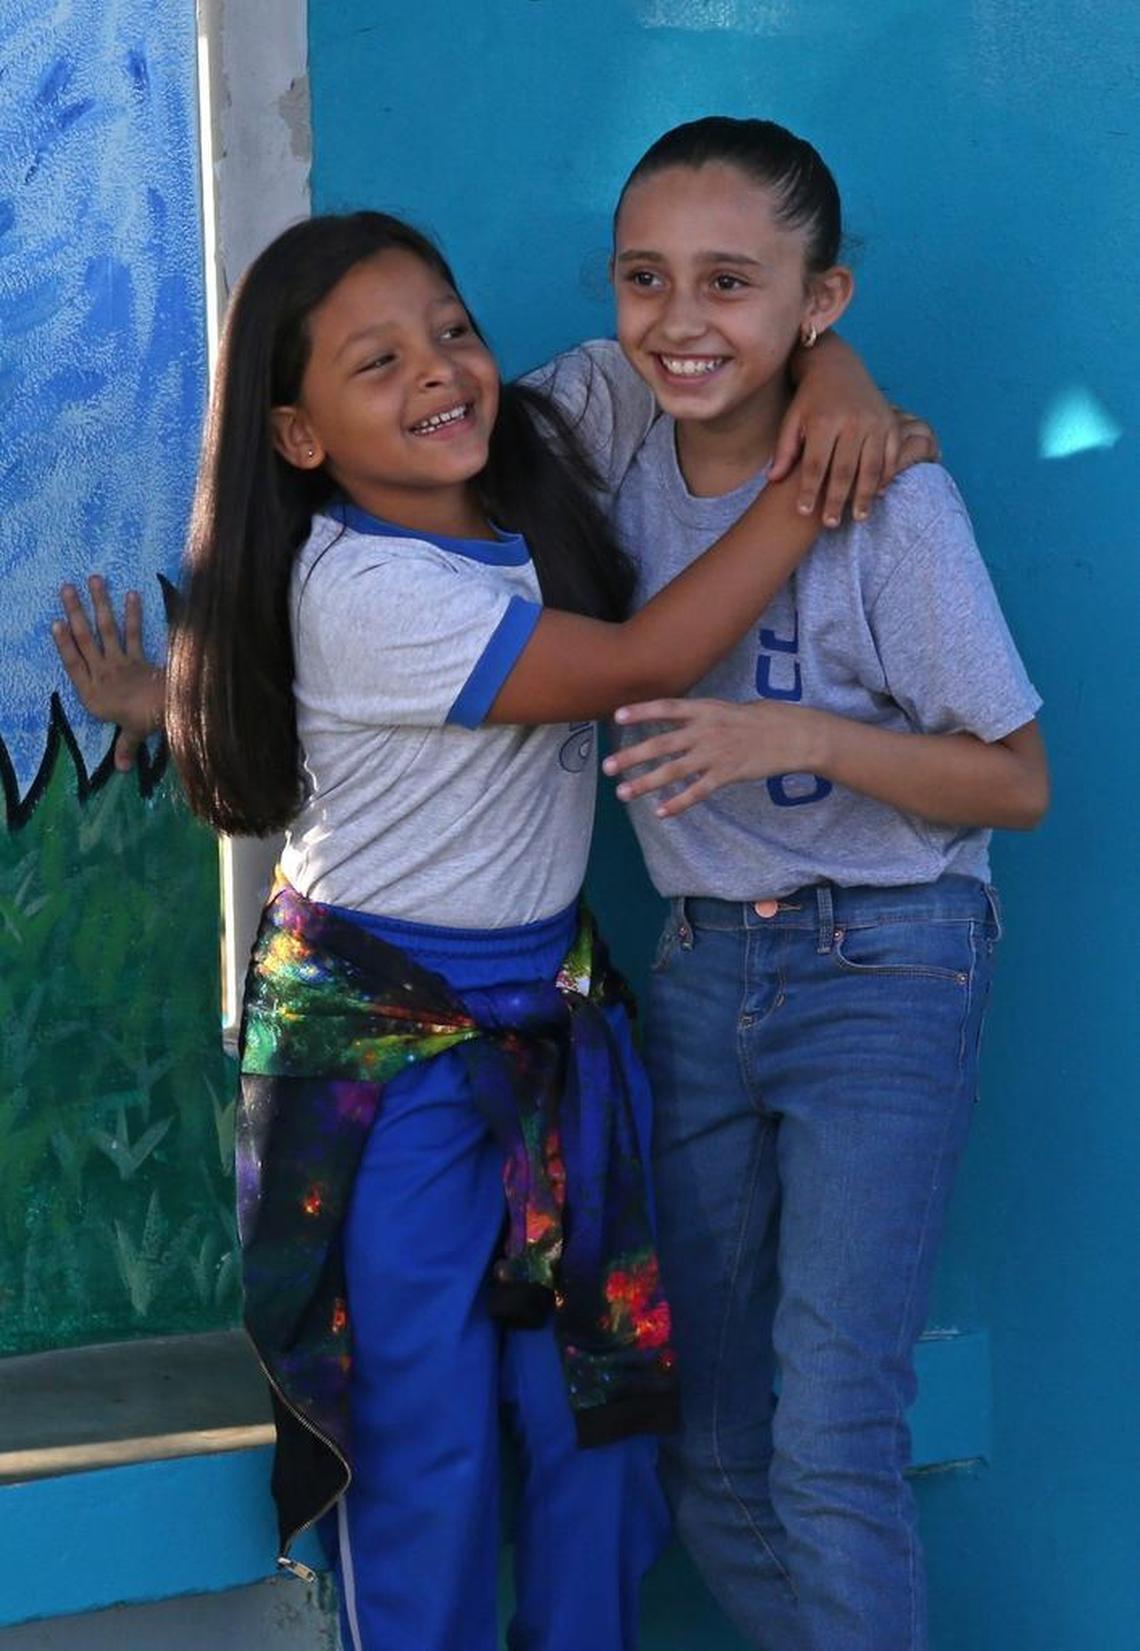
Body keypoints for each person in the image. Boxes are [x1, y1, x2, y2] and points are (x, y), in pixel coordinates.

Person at [52, 208, 931, 1651]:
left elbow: (714, 342)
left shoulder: (547, 424)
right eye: (376, 364)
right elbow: (648, 659)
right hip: (380, 1062)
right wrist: (823, 479)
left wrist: (833, 383)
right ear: (296, 436)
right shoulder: (372, 589)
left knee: (593, 1423)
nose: (441, 372)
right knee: (424, 1440)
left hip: (549, 1020)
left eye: (451, 330)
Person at [527, 117, 1045, 1651]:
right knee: (707, 1437)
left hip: (890, 961)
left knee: (829, 1436)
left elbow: (1016, 779)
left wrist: (797, 736)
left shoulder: (898, 506)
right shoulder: (609, 424)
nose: (682, 320)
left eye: (732, 285)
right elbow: (438, 440)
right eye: (645, 278)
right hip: (698, 970)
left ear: (821, 300)